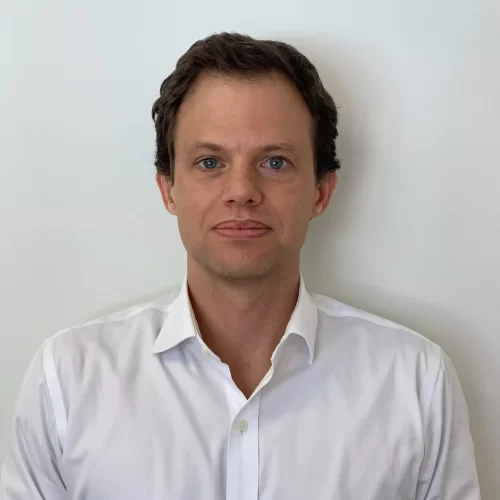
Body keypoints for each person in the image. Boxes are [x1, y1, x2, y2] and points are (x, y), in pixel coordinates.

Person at [1, 32, 480, 500]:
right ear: (168, 188)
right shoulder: (68, 379)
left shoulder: (415, 382)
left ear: (321, 191)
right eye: (210, 162)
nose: (241, 191)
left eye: (275, 162)